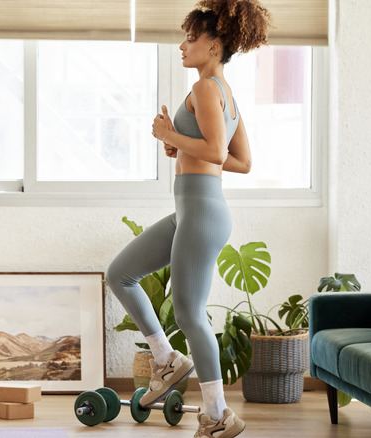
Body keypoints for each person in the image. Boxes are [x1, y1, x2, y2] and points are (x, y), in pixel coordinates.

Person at [105, 1, 271, 437]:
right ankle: (167, 360)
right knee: (121, 273)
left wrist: (169, 135)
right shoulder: (223, 93)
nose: (183, 45)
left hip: (201, 211)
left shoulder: (205, 90)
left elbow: (217, 154)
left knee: (190, 314)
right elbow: (241, 161)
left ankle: (217, 415)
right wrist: (182, 148)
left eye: (191, 38)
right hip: (193, 209)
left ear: (214, 45)